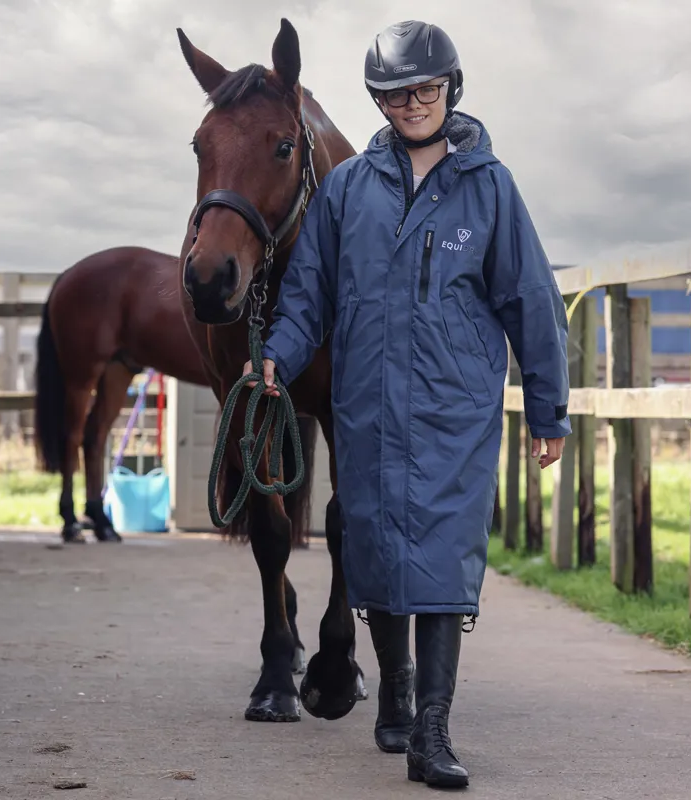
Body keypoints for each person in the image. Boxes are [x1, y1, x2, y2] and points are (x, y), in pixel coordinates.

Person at [244, 19, 571, 788]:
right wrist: (276, 362)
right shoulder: (349, 189)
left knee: (446, 558)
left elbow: (532, 301)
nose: (413, 103)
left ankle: (432, 728)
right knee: (376, 551)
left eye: (425, 89)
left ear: (451, 89)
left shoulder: (489, 186)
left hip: (455, 408)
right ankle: (392, 687)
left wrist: (550, 412)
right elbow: (307, 296)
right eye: (396, 93)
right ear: (380, 100)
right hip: (367, 403)